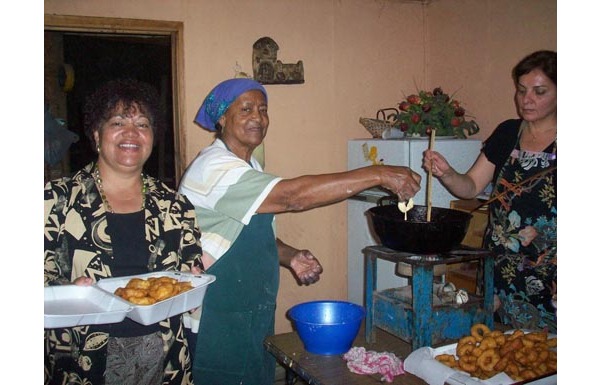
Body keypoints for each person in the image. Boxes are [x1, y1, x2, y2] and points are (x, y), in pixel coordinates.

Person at [178, 77, 422, 385]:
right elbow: (292, 197)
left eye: (263, 109)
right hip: (218, 312)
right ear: (222, 118)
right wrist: (379, 173)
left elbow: (245, 233)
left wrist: (290, 256)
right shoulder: (212, 167)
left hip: (251, 307)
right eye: (246, 109)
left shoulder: (249, 165)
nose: (258, 117)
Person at [44, 79, 206, 385]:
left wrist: (195, 281)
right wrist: (67, 291)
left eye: (142, 124)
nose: (132, 132)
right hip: (82, 357)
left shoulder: (176, 205)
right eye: (118, 122)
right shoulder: (55, 201)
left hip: (165, 353)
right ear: (96, 134)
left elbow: (190, 270)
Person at [423, 50, 557, 332]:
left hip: (552, 271)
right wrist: (447, 172)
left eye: (539, 91)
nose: (526, 99)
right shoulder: (508, 132)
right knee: (499, 347)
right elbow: (470, 186)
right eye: (521, 91)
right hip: (499, 264)